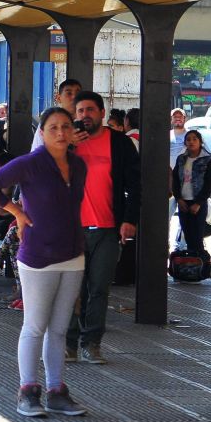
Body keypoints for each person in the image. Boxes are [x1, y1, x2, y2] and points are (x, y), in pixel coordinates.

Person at [0, 107, 89, 418]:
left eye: (65, 126)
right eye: (52, 127)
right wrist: (17, 212)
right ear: (42, 132)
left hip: (73, 254)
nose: (60, 132)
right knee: (35, 326)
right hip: (38, 254)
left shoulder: (78, 165)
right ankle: (28, 390)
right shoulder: (30, 163)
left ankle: (56, 390)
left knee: (59, 328)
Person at [66, 91, 140, 365]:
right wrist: (68, 147)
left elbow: (135, 185)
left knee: (98, 288)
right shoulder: (67, 142)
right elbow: (47, 172)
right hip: (72, 229)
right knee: (73, 290)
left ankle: (91, 343)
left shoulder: (120, 144)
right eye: (80, 111)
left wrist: (129, 220)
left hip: (108, 228)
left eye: (90, 110)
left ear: (101, 113)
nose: (85, 116)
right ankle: (69, 344)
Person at [172, 130, 211, 262]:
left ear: (200, 142)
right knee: (188, 235)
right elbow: (176, 180)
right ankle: (190, 267)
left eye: (194, 139)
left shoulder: (208, 159)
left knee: (197, 236)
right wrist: (179, 199)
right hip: (183, 202)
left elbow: (208, 184)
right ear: (185, 142)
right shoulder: (181, 159)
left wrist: (199, 203)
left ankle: (201, 267)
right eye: (188, 139)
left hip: (198, 203)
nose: (191, 141)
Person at [31, 79, 82, 151]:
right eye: (69, 93)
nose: (74, 97)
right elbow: (36, 152)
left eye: (78, 93)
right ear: (58, 98)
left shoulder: (87, 122)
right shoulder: (48, 121)